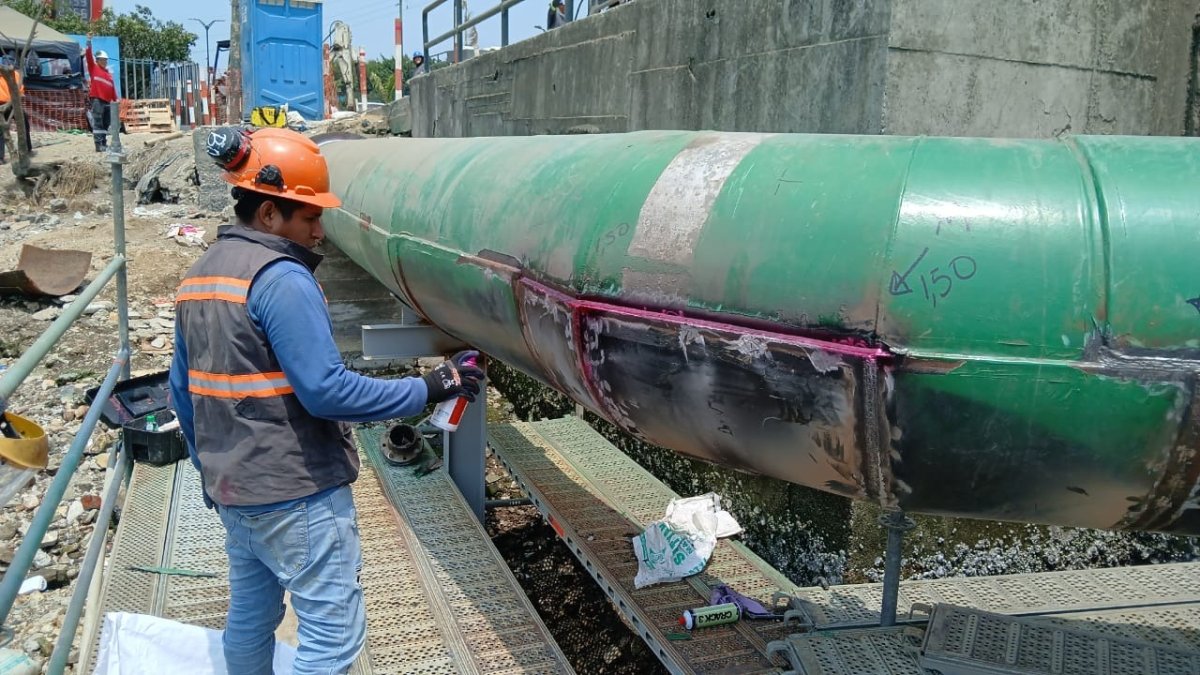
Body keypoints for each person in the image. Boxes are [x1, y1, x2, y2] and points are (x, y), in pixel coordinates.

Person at [168, 126, 485, 674]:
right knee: (333, 639)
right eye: (309, 217)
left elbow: (181, 391)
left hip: (234, 487)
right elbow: (327, 391)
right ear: (269, 214)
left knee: (249, 617)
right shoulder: (281, 278)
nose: (320, 231)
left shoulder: (200, 275)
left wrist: (211, 474)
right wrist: (434, 386)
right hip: (295, 491)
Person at [84, 33, 117, 152]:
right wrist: (88, 41)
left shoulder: (108, 74)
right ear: (97, 60)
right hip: (97, 99)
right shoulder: (94, 68)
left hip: (108, 101)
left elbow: (112, 89)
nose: (105, 62)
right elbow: (88, 55)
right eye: (102, 60)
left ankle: (104, 143)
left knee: (105, 123)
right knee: (98, 122)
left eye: (106, 60)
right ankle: (98, 145)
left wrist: (115, 100)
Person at [0, 53, 32, 164]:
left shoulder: (16, 75)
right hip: (4, 104)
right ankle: (1, 157)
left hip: (13, 103)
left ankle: (26, 150)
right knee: (5, 129)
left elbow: (21, 90)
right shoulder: (13, 74)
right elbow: (21, 91)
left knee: (23, 124)